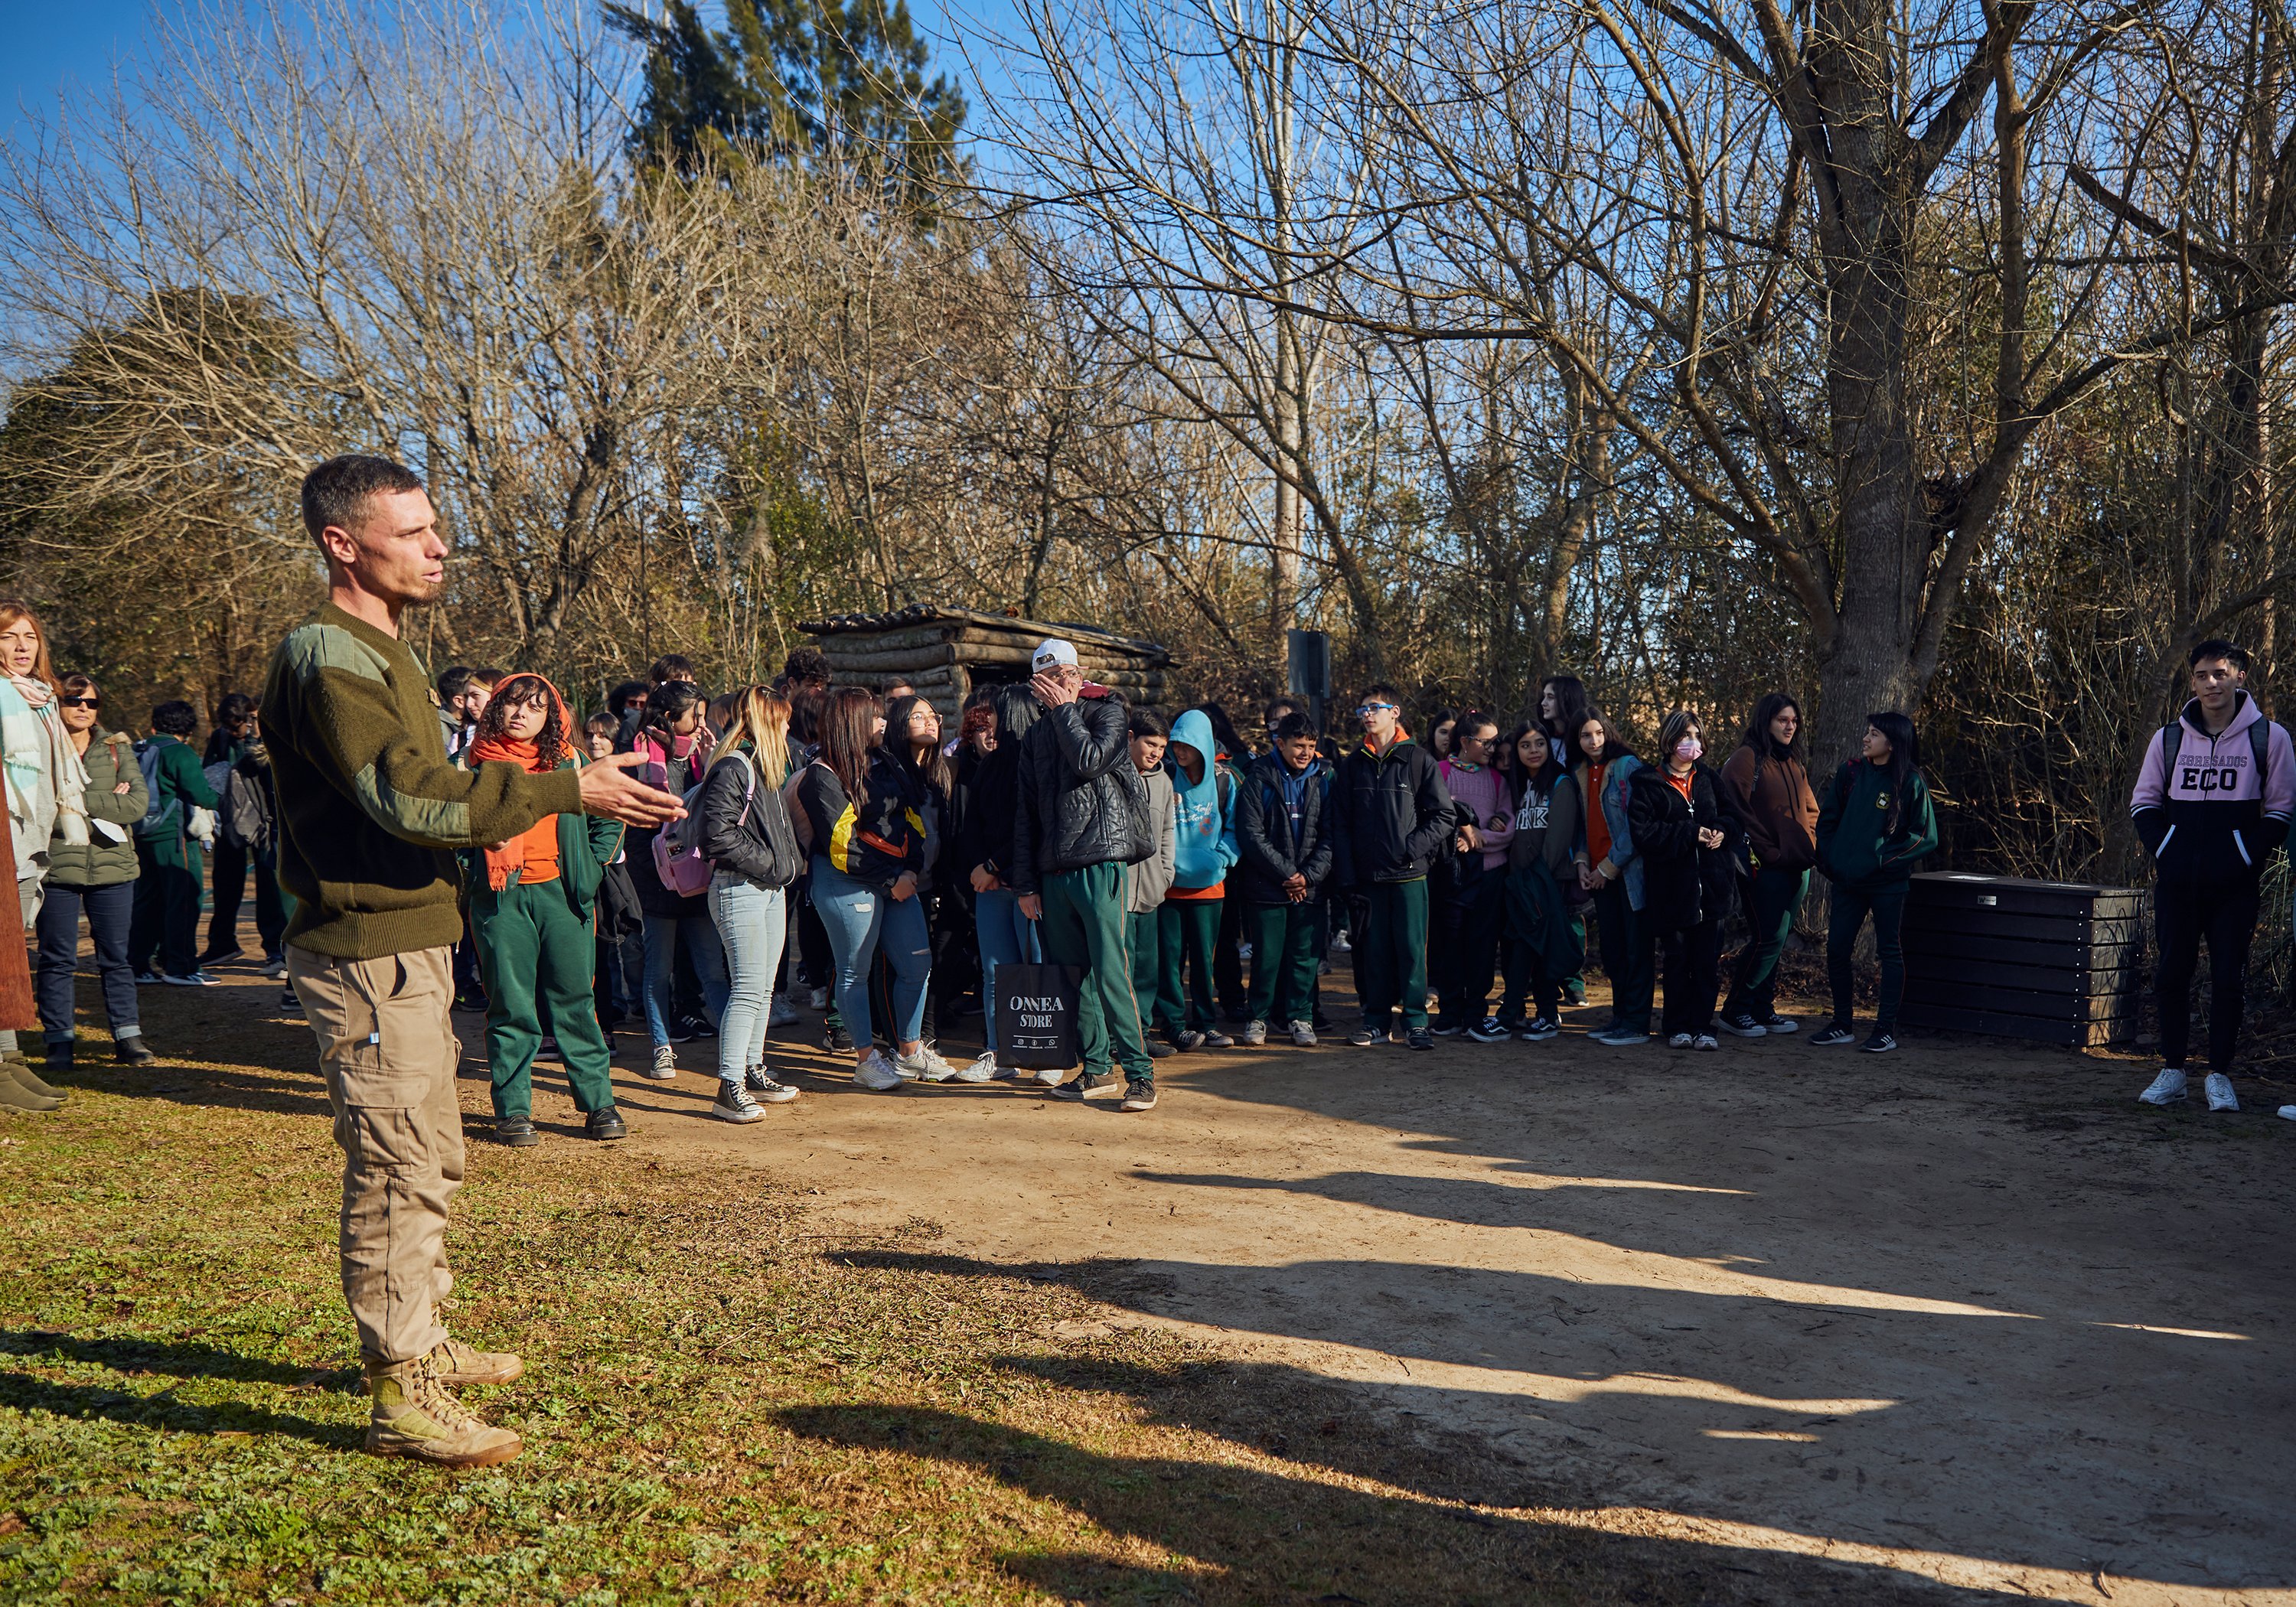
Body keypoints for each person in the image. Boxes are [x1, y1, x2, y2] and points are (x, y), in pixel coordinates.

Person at [263, 452, 677, 1465]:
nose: (439, 547)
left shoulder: (385, 644)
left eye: (435, 527)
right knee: (400, 1166)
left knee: (432, 1154)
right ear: (341, 542)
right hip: (366, 952)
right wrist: (563, 791)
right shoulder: (330, 655)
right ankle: (401, 1389)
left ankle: (425, 1341)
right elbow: (410, 799)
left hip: (413, 941)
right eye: (411, 532)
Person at [454, 675, 628, 1146]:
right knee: (510, 1007)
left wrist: (589, 871)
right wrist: (470, 869)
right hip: (499, 898)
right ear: (495, 708)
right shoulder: (469, 764)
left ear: (551, 717)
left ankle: (599, 1105)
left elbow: (608, 816)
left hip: (562, 897)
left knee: (576, 1002)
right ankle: (513, 1113)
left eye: (534, 708)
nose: (521, 715)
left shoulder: (570, 762)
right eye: (512, 704)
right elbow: (445, 828)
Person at [2128, 640, 2294, 1109]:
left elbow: (2279, 813)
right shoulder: (2169, 738)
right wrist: (2168, 852)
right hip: (2178, 884)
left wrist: (2239, 855)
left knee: (2228, 979)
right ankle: (2173, 1069)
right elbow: (2144, 803)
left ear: (2240, 676)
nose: (2211, 683)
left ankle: (2218, 1074)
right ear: (2193, 681)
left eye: (2220, 673)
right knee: (2170, 974)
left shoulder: (2270, 738)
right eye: (2202, 675)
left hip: (2234, 888)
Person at [1011, 638, 1159, 1110]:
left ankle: (1140, 1074)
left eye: (1067, 675)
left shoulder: (1109, 713)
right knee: (1075, 977)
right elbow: (1025, 813)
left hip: (1102, 860)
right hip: (1054, 870)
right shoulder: (1034, 736)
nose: (1059, 684)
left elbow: (1089, 760)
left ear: (1083, 675)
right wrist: (1026, 884)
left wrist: (1065, 712)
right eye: (1049, 679)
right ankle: (1095, 1070)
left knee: (1112, 970)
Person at [794, 686, 946, 1089]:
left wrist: (910, 871)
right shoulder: (820, 775)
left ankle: (911, 1052)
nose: (884, 723)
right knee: (853, 972)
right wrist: (890, 879)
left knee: (917, 966)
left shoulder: (887, 761)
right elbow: (841, 845)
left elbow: (913, 820)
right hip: (846, 882)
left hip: (898, 881)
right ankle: (865, 1058)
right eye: (876, 717)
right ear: (852, 723)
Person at [699, 684, 805, 1120]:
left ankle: (752, 1066)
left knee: (763, 987)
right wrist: (771, 865)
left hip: (769, 890)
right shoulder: (734, 767)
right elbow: (717, 836)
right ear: (764, 721)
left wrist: (781, 869)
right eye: (781, 718)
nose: (788, 725)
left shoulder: (766, 769)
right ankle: (729, 1083)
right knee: (746, 989)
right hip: (738, 888)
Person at [37, 675, 152, 1068]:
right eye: (74, 700)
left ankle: (128, 1037)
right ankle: (59, 1041)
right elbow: (37, 809)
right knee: (57, 959)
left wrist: (74, 801)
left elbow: (137, 805)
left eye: (92, 702)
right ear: (58, 704)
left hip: (113, 868)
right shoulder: (41, 747)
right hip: (57, 869)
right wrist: (104, 803)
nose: (84, 708)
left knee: (117, 958)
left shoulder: (117, 748)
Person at [1331, 683, 1453, 1050]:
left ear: (1395, 712)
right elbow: (1341, 824)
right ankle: (1376, 1021)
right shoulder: (1352, 765)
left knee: (1413, 950)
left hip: (1410, 875)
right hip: (1369, 878)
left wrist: (1411, 848)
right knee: (1374, 951)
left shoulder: (1417, 760)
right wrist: (1349, 875)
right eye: (1362, 710)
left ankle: (1416, 1022)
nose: (1367, 714)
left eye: (1375, 707)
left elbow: (1444, 815)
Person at [1812, 710, 1940, 1054]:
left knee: (1889, 953)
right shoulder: (1850, 772)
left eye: (1873, 734)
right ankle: (1842, 1024)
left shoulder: (1911, 781)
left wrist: (1883, 860)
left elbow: (1925, 836)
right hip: (1847, 883)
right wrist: (1832, 862)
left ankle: (1884, 1030)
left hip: (1888, 885)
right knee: (1837, 949)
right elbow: (1827, 823)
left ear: (1893, 744)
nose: (1866, 739)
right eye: (1867, 732)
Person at [0, 601, 89, 1091]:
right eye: (8, 637)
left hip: (32, 838)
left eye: (29, 637)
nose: (20, 647)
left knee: (13, 948)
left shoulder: (41, 699)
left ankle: (9, 1057)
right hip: (4, 835)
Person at [628, 680, 731, 1079]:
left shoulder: (699, 757)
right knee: (659, 970)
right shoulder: (639, 756)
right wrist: (656, 876)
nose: (703, 724)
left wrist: (710, 759)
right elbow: (638, 827)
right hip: (657, 881)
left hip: (698, 877)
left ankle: (734, 1045)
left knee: (713, 969)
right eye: (697, 716)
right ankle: (661, 1046)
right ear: (672, 718)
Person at [1629, 711, 1737, 1050]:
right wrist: (1690, 834)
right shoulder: (1647, 782)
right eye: (1684, 735)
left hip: (1713, 890)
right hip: (1672, 891)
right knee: (1677, 961)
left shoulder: (1708, 778)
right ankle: (1676, 1025)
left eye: (1696, 735)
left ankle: (1704, 1026)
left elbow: (1733, 816)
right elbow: (1644, 834)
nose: (1691, 742)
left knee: (1707, 964)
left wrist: (1721, 830)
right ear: (1669, 740)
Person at [1715, 693, 1818, 1038]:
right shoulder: (1747, 759)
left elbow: (1811, 811)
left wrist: (1809, 844)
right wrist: (1769, 850)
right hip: (1764, 866)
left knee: (1779, 937)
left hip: (1798, 867)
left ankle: (1762, 1008)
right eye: (1782, 720)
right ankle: (1735, 1011)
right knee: (1767, 938)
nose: (1790, 726)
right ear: (1765, 721)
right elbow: (1734, 810)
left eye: (1794, 721)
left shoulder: (1793, 762)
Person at [955, 686, 1044, 1081]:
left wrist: (992, 865)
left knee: (1037, 969)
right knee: (995, 972)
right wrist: (981, 869)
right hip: (990, 889)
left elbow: (1031, 831)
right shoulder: (989, 766)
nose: (988, 720)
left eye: (997, 713)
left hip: (1030, 887)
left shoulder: (1041, 764)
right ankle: (998, 1051)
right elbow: (971, 824)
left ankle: (1047, 1053)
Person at [1234, 709, 1332, 1047]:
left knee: (1304, 959)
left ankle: (1301, 1018)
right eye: (1298, 746)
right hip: (1267, 887)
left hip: (1310, 888)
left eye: (1311, 745)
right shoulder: (1258, 775)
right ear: (1279, 743)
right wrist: (1287, 873)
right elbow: (1250, 832)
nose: (1305, 753)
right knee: (1267, 957)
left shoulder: (1324, 777)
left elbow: (1331, 835)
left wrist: (1307, 876)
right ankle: (1258, 1018)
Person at [876, 693, 963, 1074]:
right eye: (918, 716)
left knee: (922, 965)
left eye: (933, 715)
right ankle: (897, 1045)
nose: (930, 722)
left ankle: (919, 1040)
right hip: (893, 882)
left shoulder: (947, 770)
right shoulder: (886, 769)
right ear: (898, 724)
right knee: (891, 967)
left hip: (931, 883)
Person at [1489, 724, 1583, 1041]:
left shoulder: (1560, 783)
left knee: (1528, 950)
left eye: (1540, 743)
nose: (1534, 750)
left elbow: (1556, 843)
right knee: (1527, 949)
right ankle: (1545, 1015)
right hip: (1519, 882)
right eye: (1526, 745)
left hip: (1545, 883)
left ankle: (1507, 1018)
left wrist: (1535, 880)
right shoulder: (1518, 785)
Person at [1154, 709, 1240, 1051]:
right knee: (1170, 959)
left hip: (1209, 887)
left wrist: (1223, 859)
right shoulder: (1163, 776)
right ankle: (1174, 1025)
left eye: (1187, 744)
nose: (1179, 750)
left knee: (1205, 961)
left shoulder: (1224, 780)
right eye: (1175, 743)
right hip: (1169, 887)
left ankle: (1206, 1022)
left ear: (1203, 743)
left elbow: (1236, 828)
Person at [127, 701, 222, 986]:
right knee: (184, 901)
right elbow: (201, 794)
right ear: (188, 729)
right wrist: (227, 801)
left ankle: (138, 963)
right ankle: (180, 966)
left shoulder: (138, 749)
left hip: (141, 833)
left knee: (147, 900)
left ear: (155, 724)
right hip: (174, 836)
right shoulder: (180, 753)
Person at [1431, 712, 1514, 1035]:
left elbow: (1509, 827)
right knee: (1449, 941)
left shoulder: (1498, 780)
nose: (1493, 748)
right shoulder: (1439, 773)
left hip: (1490, 873)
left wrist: (1479, 839)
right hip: (1451, 871)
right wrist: (1460, 837)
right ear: (1465, 742)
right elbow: (1433, 817)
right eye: (1486, 741)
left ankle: (1476, 1012)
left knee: (1482, 943)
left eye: (1495, 741)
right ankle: (1449, 1010)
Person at [1575, 711, 1654, 1046]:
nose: (1593, 741)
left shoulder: (1627, 767)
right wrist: (1582, 862)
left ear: (1609, 733)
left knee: (1636, 949)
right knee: (1613, 949)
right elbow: (1582, 824)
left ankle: (1637, 1022)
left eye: (1598, 733)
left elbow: (1637, 828)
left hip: (1628, 873)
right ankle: (1621, 1017)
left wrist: (1608, 867)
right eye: (1585, 735)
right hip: (1597, 874)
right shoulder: (1581, 773)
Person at [201, 692, 288, 970]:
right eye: (229, 728)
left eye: (240, 726)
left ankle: (275, 949)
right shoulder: (221, 738)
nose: (237, 733)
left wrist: (252, 740)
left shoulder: (266, 740)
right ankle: (222, 942)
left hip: (264, 824)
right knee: (225, 883)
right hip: (231, 819)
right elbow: (210, 772)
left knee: (269, 885)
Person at [1124, 708, 1180, 1061]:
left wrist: (1165, 876)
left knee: (1147, 970)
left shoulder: (1164, 781)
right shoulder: (1112, 774)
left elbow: (1167, 833)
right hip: (1118, 893)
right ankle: (1117, 1041)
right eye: (1150, 743)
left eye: (1161, 746)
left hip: (1151, 893)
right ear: (1130, 738)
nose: (1156, 752)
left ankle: (1141, 1037)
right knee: (1120, 971)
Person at [1537, 674, 1593, 1006]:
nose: (1544, 703)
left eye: (1550, 697)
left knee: (1572, 908)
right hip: (1538, 833)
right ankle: (1542, 977)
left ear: (1566, 699)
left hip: (1575, 836)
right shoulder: (1537, 737)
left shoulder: (1581, 741)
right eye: (1543, 697)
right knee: (1541, 907)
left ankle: (1573, 979)